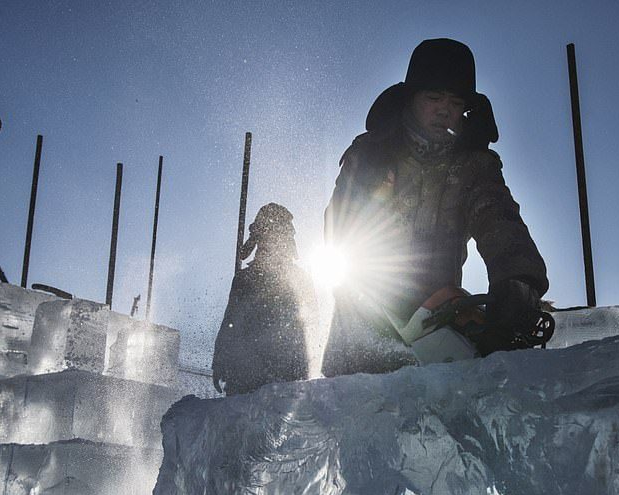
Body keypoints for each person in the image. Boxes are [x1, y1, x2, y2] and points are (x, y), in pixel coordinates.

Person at [321, 38, 548, 377]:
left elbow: (498, 217)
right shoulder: (369, 155)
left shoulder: (473, 166)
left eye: (456, 102)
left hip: (437, 339)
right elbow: (340, 232)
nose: (445, 109)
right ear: (410, 99)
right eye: (434, 97)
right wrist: (407, 299)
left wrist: (517, 279)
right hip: (362, 334)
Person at [212, 203, 316, 395]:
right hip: (248, 378)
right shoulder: (245, 279)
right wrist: (220, 361)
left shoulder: (299, 280)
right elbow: (231, 323)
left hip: (284, 380)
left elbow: (311, 329)